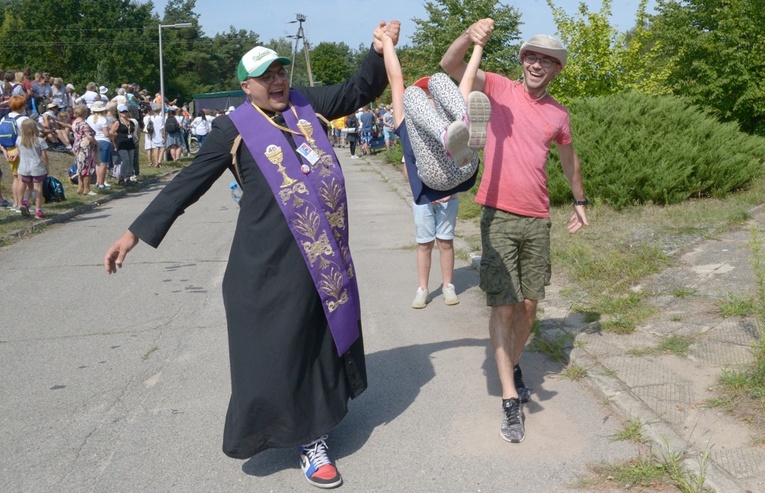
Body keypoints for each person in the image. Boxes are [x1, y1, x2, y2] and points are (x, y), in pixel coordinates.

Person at [103, 20, 399, 490]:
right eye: (268, 77)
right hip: (263, 267)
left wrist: (377, 48)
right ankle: (285, 430)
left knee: (316, 345)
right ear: (247, 87)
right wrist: (134, 233)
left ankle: (312, 435)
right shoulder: (230, 129)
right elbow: (186, 184)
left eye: (282, 72)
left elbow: (359, 88)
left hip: (320, 260)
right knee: (274, 354)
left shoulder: (309, 105)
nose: (279, 81)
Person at [441, 20, 589, 444]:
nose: (538, 64)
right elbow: (451, 65)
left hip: (537, 216)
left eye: (548, 60)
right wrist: (470, 37)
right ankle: (510, 399)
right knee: (504, 306)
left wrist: (580, 202)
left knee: (528, 305)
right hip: (498, 214)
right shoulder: (500, 89)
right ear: (522, 61)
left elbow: (568, 161)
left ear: (557, 69)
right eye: (532, 56)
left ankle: (514, 361)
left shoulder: (558, 114)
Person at [380, 24, 489, 309]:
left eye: (429, 94)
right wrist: (387, 43)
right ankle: (423, 289)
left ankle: (448, 285)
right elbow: (396, 78)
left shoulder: (439, 106)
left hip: (458, 174)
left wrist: (479, 43)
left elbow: (464, 79)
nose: (426, 95)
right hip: (433, 183)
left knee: (442, 78)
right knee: (425, 243)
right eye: (424, 93)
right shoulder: (407, 117)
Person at [0, 95, 30, 212]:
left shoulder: (3, 119)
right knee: (22, 178)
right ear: (21, 106)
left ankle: (15, 203)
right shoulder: (23, 120)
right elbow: (26, 139)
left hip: (8, 150)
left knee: (15, 177)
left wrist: (5, 152)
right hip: (20, 150)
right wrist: (18, 152)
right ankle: (20, 204)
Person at [16, 118, 49, 219]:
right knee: (38, 189)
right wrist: (47, 167)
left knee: (28, 187)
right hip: (37, 168)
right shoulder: (39, 141)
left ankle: (25, 202)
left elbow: (19, 154)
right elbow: (45, 157)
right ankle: (38, 211)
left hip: (24, 168)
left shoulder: (19, 140)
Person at [87, 101, 114, 189]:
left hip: (93, 140)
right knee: (103, 164)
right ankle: (101, 183)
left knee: (97, 163)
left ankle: (97, 182)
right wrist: (113, 135)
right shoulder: (103, 119)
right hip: (104, 141)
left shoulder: (89, 118)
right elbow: (106, 133)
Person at [72, 104, 97, 195]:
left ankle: (80, 187)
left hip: (77, 146)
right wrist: (96, 143)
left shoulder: (75, 123)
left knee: (80, 167)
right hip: (85, 147)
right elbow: (89, 136)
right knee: (87, 167)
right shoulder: (84, 124)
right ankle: (87, 189)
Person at [114, 105, 138, 185]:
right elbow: (112, 132)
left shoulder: (130, 122)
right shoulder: (117, 122)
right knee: (125, 159)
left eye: (125, 111)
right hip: (121, 143)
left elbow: (132, 131)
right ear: (119, 113)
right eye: (122, 112)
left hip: (130, 143)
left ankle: (128, 178)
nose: (124, 113)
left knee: (131, 160)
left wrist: (135, 139)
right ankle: (121, 177)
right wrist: (114, 144)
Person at [143, 103, 164, 168]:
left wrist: (150, 135)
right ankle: (159, 162)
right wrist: (163, 136)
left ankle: (155, 162)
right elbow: (161, 128)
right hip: (159, 135)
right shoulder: (160, 118)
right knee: (162, 148)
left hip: (153, 135)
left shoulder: (150, 117)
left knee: (156, 148)